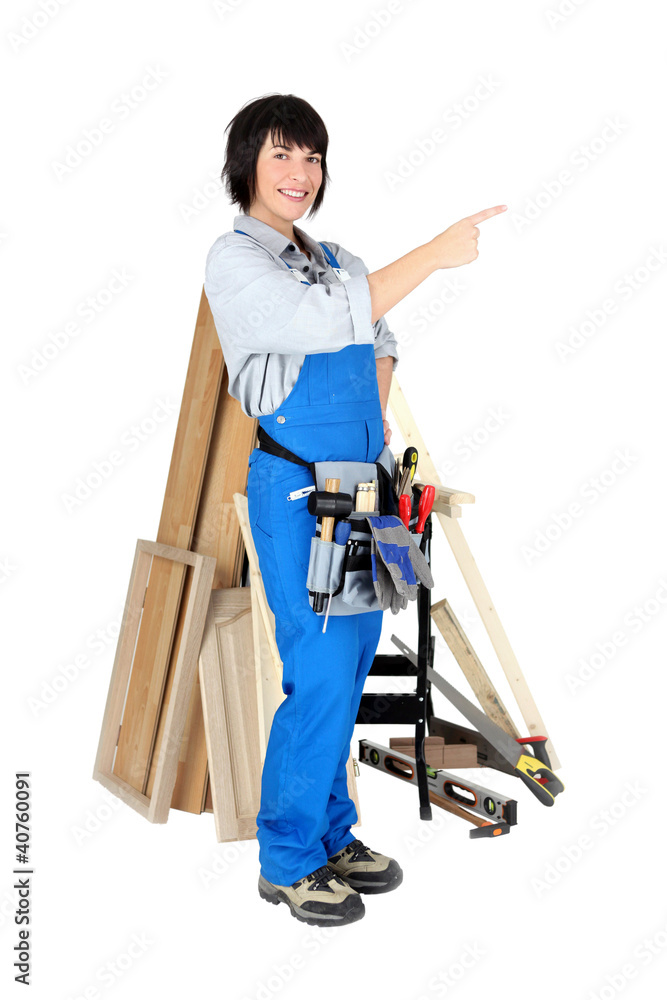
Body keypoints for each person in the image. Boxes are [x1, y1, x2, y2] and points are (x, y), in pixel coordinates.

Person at [204, 93, 506, 927]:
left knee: (356, 660)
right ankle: (288, 860)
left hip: (364, 491)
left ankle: (332, 835)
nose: (300, 172)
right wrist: (434, 255)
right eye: (281, 154)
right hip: (302, 496)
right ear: (246, 165)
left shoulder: (336, 257)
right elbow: (325, 319)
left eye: (312, 157)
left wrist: (369, 428)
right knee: (319, 675)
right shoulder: (236, 261)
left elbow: (378, 336)